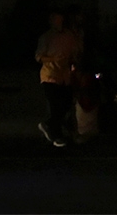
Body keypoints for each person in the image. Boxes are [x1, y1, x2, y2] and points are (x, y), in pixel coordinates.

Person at [35, 8, 82, 147]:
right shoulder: (46, 37)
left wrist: (73, 62)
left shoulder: (69, 36)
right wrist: (53, 58)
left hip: (64, 75)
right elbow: (39, 56)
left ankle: (49, 125)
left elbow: (74, 53)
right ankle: (56, 135)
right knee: (55, 106)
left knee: (66, 103)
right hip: (50, 75)